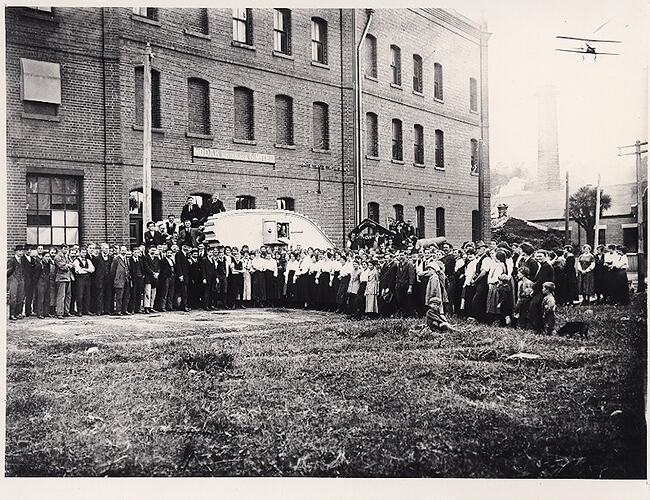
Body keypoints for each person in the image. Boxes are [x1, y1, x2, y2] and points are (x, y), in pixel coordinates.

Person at [527, 250, 555, 332]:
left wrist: (533, 289)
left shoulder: (546, 266)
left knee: (535, 307)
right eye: (537, 256)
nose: (538, 258)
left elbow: (541, 281)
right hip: (542, 289)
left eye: (540, 256)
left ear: (546, 256)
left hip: (544, 290)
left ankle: (537, 328)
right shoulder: (543, 266)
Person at [91, 243, 113, 315]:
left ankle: (107, 310)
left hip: (108, 280)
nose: (107, 250)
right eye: (105, 248)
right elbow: (95, 270)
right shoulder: (97, 258)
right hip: (100, 279)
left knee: (108, 294)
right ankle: (99, 310)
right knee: (99, 295)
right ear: (102, 249)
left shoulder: (110, 258)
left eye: (108, 248)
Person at [73, 246, 95, 316]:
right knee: (80, 295)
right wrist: (87, 270)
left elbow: (92, 269)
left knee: (87, 294)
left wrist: (84, 269)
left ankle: (86, 310)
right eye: (82, 252)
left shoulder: (88, 261)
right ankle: (79, 311)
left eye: (85, 253)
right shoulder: (76, 261)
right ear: (79, 253)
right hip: (80, 279)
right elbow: (78, 270)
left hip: (87, 279)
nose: (84, 254)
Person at [54, 244, 74, 319]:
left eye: (67, 249)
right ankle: (59, 313)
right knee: (61, 296)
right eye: (65, 249)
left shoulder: (67, 256)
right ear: (61, 249)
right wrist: (68, 266)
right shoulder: (58, 257)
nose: (66, 250)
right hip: (61, 278)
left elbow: (70, 264)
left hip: (68, 278)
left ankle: (66, 311)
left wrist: (69, 265)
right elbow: (62, 267)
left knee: (68, 296)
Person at [111, 246, 132, 316]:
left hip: (126, 280)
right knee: (119, 297)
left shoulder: (126, 259)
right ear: (120, 251)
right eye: (122, 250)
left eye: (125, 250)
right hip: (119, 280)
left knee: (126, 296)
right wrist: (115, 280)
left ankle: (124, 310)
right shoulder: (116, 259)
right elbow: (112, 271)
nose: (124, 252)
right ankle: (118, 310)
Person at [394, 252, 416, 318]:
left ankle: (411, 315)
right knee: (401, 301)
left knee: (408, 301)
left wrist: (410, 287)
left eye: (402, 255)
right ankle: (404, 315)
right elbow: (398, 275)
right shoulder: (399, 264)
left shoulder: (409, 264)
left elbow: (411, 276)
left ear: (406, 255)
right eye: (400, 255)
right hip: (400, 285)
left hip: (406, 285)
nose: (401, 256)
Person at [7, 245, 25, 320]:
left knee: (20, 297)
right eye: (19, 251)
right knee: (13, 297)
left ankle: (18, 313)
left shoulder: (22, 260)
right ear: (15, 252)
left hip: (21, 280)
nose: (21, 252)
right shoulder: (12, 260)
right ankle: (12, 314)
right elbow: (7, 272)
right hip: (13, 279)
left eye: (22, 251)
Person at [21, 245, 40, 317]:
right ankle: (21, 312)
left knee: (30, 296)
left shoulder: (32, 259)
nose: (29, 251)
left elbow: (34, 270)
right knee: (23, 296)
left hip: (31, 281)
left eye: (30, 250)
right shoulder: (22, 259)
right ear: (24, 251)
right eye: (27, 250)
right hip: (24, 280)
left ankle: (28, 311)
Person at [142, 246, 161, 313]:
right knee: (147, 293)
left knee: (153, 293)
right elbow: (146, 267)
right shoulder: (145, 258)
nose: (153, 251)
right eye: (152, 250)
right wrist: (153, 273)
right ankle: (146, 307)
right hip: (148, 278)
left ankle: (151, 306)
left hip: (155, 278)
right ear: (149, 250)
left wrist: (157, 273)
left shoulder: (156, 258)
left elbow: (158, 267)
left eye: (154, 250)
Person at [35, 250, 53, 319]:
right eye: (46, 256)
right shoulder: (39, 265)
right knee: (41, 299)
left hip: (47, 282)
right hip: (41, 283)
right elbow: (36, 276)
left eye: (48, 256)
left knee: (47, 298)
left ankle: (46, 312)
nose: (47, 258)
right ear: (43, 257)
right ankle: (40, 313)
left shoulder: (48, 264)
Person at [129, 247, 145, 314]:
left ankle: (137, 308)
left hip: (140, 278)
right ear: (132, 253)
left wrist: (142, 275)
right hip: (134, 279)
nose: (136, 254)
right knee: (133, 294)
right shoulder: (130, 260)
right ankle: (131, 309)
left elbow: (142, 269)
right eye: (135, 252)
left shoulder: (140, 260)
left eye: (137, 252)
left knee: (139, 293)